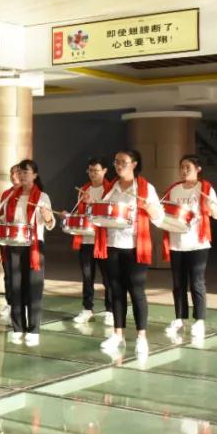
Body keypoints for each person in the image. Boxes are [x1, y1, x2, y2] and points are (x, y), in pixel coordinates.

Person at [94, 149, 163, 356]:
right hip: (112, 245)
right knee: (115, 291)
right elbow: (102, 213)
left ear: (134, 164)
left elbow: (159, 218)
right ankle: (118, 334)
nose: (118, 165)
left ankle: (141, 337)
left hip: (135, 247)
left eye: (123, 162)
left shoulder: (145, 188)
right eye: (116, 161)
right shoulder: (111, 188)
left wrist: (151, 209)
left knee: (137, 291)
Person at [162, 155, 217, 343]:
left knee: (196, 282)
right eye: (182, 167)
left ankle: (199, 321)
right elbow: (163, 211)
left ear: (198, 169)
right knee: (178, 284)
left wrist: (211, 207)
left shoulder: (205, 188)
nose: (184, 170)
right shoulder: (173, 189)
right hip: (177, 243)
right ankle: (179, 319)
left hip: (198, 243)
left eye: (188, 167)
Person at [1, 159, 55, 347]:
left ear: (35, 175)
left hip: (34, 246)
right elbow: (3, 219)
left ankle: (33, 330)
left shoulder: (42, 196)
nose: (22, 176)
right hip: (14, 244)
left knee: (33, 288)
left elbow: (50, 223)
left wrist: (48, 217)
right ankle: (17, 327)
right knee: (15, 287)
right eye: (20, 172)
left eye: (26, 172)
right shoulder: (11, 195)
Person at [71, 158, 113, 325]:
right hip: (86, 239)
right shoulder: (84, 189)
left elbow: (110, 212)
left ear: (105, 171)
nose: (92, 174)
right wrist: (71, 216)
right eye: (90, 170)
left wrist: (93, 203)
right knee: (87, 277)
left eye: (96, 170)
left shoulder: (111, 189)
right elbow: (81, 214)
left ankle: (110, 310)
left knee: (108, 278)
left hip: (105, 241)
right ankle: (87, 309)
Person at [0, 164, 22, 319]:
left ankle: (21, 304)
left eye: (17, 173)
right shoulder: (6, 193)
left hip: (20, 238)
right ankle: (10, 303)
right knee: (8, 273)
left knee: (20, 274)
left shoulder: (27, 193)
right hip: (5, 238)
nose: (13, 176)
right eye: (11, 173)